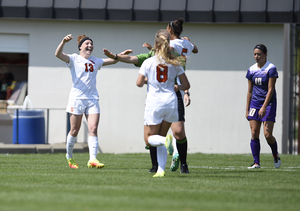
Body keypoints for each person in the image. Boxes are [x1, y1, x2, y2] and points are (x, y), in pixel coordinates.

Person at [55, 34, 124, 169]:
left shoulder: (95, 61)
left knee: (93, 128)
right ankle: (69, 156)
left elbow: (113, 61)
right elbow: (58, 54)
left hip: (92, 99)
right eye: (87, 43)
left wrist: (118, 55)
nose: (90, 46)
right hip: (77, 100)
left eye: (91, 44)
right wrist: (63, 41)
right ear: (80, 46)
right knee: (74, 130)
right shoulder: (74, 59)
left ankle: (92, 159)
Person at [136, 29, 190, 177]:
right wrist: (176, 86)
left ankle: (169, 142)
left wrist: (150, 80)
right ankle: (160, 170)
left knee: (150, 139)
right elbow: (186, 85)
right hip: (171, 102)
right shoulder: (175, 62)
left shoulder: (148, 62)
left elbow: (139, 83)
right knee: (161, 135)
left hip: (155, 102)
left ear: (155, 44)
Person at [245, 44, 281, 169]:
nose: (256, 56)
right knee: (254, 132)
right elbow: (249, 91)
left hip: (269, 103)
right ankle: (256, 163)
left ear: (265, 55)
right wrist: (247, 109)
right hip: (255, 103)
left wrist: (264, 106)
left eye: (259, 54)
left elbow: (271, 90)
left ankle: (275, 154)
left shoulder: (271, 68)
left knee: (267, 134)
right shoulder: (251, 70)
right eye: (255, 54)